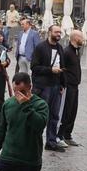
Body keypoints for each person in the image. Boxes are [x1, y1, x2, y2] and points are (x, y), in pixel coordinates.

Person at [30, 24, 66, 152]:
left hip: (56, 86)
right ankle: (34, 140)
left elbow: (63, 67)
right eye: (56, 32)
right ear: (49, 32)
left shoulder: (60, 48)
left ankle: (51, 141)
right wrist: (50, 70)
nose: (58, 34)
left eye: (59, 32)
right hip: (43, 86)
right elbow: (34, 67)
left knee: (55, 115)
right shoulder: (41, 47)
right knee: (41, 114)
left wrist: (62, 84)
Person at [58, 30, 83, 145]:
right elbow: (62, 68)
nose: (83, 39)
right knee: (66, 111)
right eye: (81, 37)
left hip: (75, 85)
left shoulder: (76, 51)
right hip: (68, 86)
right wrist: (62, 84)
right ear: (75, 38)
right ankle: (61, 135)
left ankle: (68, 134)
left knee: (73, 111)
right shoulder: (67, 52)